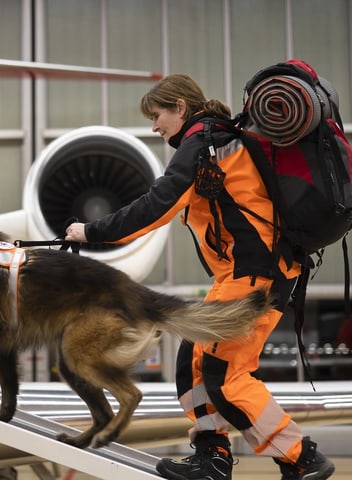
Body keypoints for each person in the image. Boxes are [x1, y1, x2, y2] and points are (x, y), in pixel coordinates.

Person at [64, 73, 335, 480]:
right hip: (238, 276)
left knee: (226, 375)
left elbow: (158, 205)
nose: (154, 126)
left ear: (180, 108)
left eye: (157, 116)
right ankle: (212, 457)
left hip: (255, 276)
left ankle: (301, 458)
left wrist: (92, 231)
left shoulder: (202, 142)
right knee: (192, 362)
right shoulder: (211, 143)